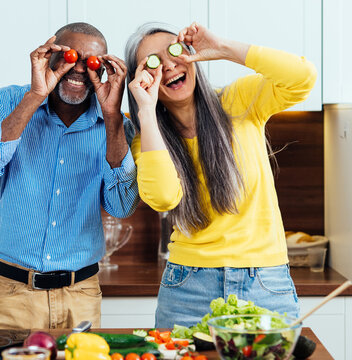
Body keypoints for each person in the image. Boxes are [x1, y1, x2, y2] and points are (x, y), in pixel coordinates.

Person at [125, 22, 316, 328]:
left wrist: (224, 49)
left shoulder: (239, 101)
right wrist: (145, 112)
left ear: (189, 54)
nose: (169, 65)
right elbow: (162, 197)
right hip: (188, 287)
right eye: (153, 62)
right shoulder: (147, 139)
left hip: (265, 281)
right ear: (142, 79)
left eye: (174, 51)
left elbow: (301, 78)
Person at [0, 22, 139, 330]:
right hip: (11, 293)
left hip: (80, 295)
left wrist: (112, 116)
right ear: (51, 56)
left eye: (92, 62)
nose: (80, 69)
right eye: (71, 56)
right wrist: (35, 95)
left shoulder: (116, 127)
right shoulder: (7, 102)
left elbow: (122, 207)